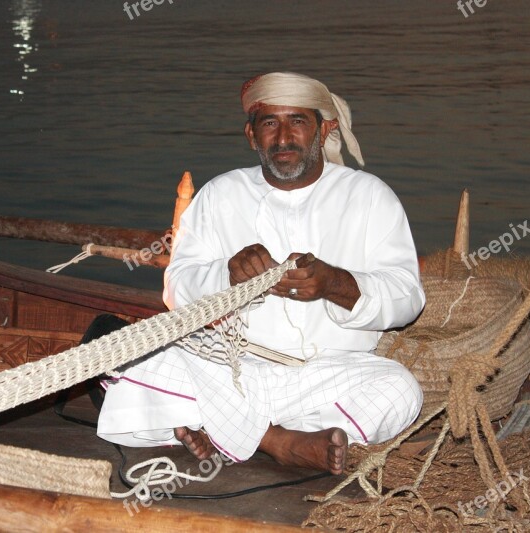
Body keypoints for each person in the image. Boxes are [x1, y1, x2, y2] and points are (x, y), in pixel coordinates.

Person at [97, 72, 425, 475]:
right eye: (270, 123)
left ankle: (225, 429)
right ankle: (278, 441)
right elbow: (176, 291)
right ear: (252, 136)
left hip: (327, 376)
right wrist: (226, 276)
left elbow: (407, 297)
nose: (284, 137)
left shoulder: (371, 197)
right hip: (230, 367)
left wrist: (335, 284)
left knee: (400, 390)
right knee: (117, 353)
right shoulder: (220, 195)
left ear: (324, 130)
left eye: (298, 121)